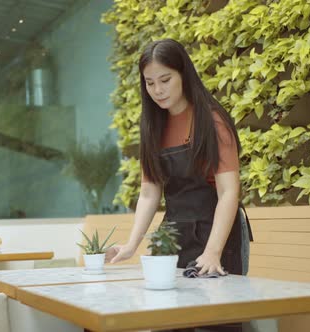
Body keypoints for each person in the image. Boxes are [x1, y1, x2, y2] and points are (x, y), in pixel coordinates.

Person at [105, 39, 252, 331]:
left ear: (183, 74)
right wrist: (132, 244)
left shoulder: (212, 121)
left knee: (218, 322)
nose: (157, 90)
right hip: (174, 235)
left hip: (218, 234)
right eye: (149, 83)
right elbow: (149, 193)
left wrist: (213, 252)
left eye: (165, 79)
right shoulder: (153, 126)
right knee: (169, 320)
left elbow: (228, 192)